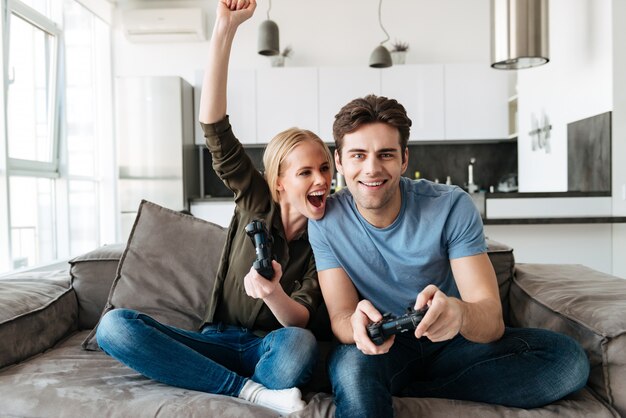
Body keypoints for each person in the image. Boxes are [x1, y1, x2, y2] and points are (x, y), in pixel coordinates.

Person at [96, 0, 333, 415]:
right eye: (306, 172)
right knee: (114, 327)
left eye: (326, 169)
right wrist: (225, 28)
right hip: (216, 339)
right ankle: (250, 393)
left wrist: (273, 292)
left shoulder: (329, 236)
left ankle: (219, 382)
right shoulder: (257, 199)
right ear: (278, 182)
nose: (322, 180)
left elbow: (299, 320)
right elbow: (215, 130)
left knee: (302, 345)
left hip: (272, 349)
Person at [307, 94, 590, 418]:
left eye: (385, 154)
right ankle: (399, 384)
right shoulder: (325, 221)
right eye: (358, 155)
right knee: (351, 369)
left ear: (404, 160)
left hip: (455, 344)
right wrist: (355, 326)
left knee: (567, 361)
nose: (371, 169)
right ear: (339, 162)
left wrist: (460, 313)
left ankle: (411, 389)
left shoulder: (451, 206)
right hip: (384, 345)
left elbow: (491, 320)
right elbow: (341, 316)